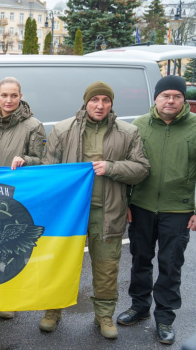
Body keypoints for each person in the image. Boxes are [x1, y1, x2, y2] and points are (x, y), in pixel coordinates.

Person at [41, 81, 149, 339]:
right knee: (61, 263)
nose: (100, 105)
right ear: (85, 101)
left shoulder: (127, 132)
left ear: (111, 104)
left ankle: (104, 315)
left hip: (107, 211)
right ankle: (52, 310)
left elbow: (142, 169)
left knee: (106, 266)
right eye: (94, 100)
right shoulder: (62, 129)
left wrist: (111, 167)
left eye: (105, 100)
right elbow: (48, 169)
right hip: (70, 213)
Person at [116, 75, 196, 345]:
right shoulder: (139, 126)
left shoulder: (195, 127)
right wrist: (126, 202)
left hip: (179, 209)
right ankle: (139, 307)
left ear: (184, 100)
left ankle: (165, 317)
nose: (170, 100)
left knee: (170, 264)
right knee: (140, 259)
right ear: (156, 98)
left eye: (176, 96)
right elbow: (128, 166)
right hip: (142, 206)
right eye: (165, 96)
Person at [0, 76, 45, 320]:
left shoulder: (33, 126)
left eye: (14, 95)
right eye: (4, 95)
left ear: (20, 96)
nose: (9, 100)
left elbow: (42, 160)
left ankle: (8, 298)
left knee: (10, 250)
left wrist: (27, 160)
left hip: (15, 198)